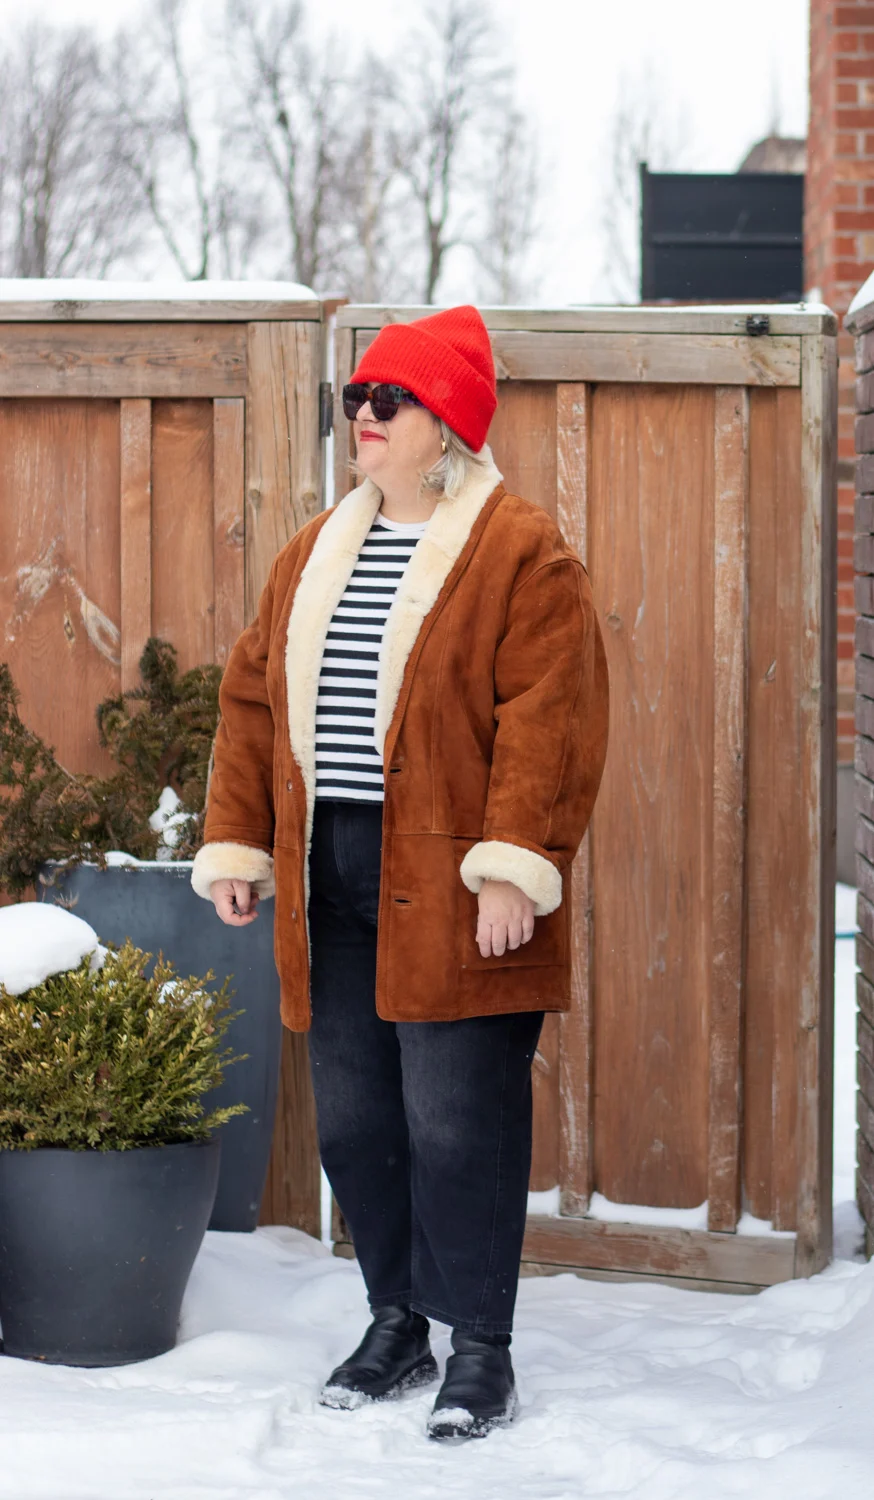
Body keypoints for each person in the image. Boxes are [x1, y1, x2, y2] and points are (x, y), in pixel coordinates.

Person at [191, 304, 609, 1442]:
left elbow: (550, 722)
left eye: (391, 402)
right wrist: (237, 842)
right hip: (331, 875)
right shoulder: (315, 551)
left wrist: (515, 870)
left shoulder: (521, 552)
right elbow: (248, 702)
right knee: (358, 1123)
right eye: (356, 400)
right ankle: (396, 1322)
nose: (365, 419)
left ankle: (480, 1347)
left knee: (457, 1121)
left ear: (450, 426)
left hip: (457, 885)